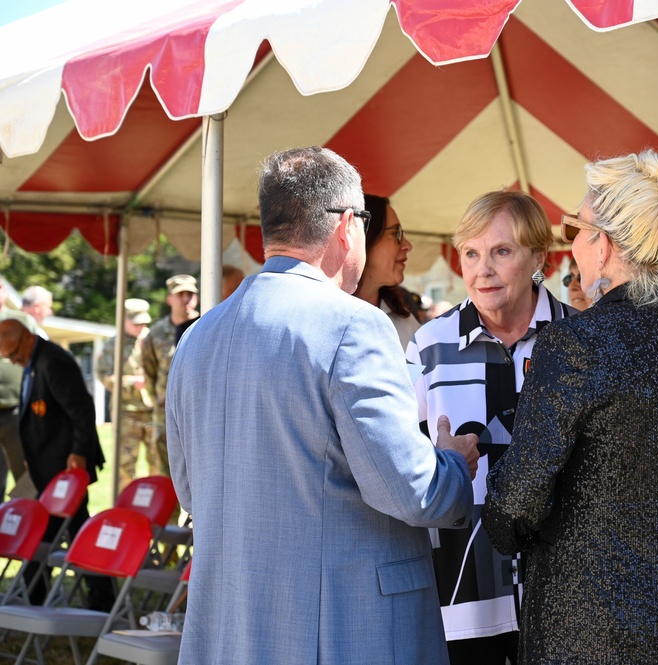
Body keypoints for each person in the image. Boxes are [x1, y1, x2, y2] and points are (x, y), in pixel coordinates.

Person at [166, 146, 478, 665]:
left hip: (232, 631)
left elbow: (191, 490)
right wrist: (451, 461)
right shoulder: (353, 325)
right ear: (346, 226)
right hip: (346, 633)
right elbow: (413, 492)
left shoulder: (197, 337)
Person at [482, 149, 658, 663]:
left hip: (589, 636)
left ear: (606, 244)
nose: (571, 248)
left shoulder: (576, 345)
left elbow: (515, 507)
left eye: (575, 231)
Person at [405, 190, 574, 664]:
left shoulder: (581, 341)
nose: (483, 270)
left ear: (539, 256)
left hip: (568, 595)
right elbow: (396, 465)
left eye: (501, 251)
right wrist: (434, 462)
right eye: (472, 254)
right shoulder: (429, 347)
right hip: (462, 595)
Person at [0, 318, 115, 610]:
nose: (13, 361)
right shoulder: (32, 361)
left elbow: (82, 409)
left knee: (60, 533)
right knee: (55, 533)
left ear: (26, 338)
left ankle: (42, 598)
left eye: (14, 354)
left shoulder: (52, 361)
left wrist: (79, 453)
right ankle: (38, 597)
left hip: (65, 471)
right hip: (48, 471)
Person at [141, 274, 198, 478]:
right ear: (169, 299)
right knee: (165, 473)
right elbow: (149, 372)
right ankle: (170, 511)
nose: (186, 299)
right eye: (180, 294)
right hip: (164, 414)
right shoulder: (155, 334)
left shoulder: (205, 326)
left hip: (196, 412)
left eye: (190, 294)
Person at [96, 298, 154, 489]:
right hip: (126, 411)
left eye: (144, 323)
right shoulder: (112, 345)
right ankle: (126, 511)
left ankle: (161, 510)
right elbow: (104, 376)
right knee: (125, 466)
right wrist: (129, 382)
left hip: (153, 410)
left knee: (160, 463)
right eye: (136, 323)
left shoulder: (152, 340)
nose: (141, 327)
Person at [351, 193, 421, 347]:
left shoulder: (404, 320)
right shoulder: (323, 316)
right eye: (395, 233)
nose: (407, 245)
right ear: (365, 237)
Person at [0, 276, 37, 497]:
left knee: (26, 477)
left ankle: (30, 526)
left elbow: (39, 360)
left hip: (18, 412)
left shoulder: (22, 321)